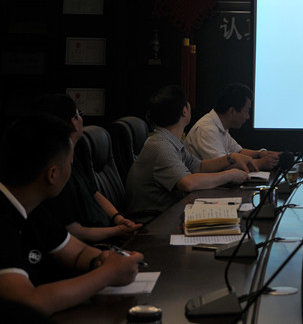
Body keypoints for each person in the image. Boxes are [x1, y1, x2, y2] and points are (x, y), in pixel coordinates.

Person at [0, 113, 142, 315]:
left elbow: (78, 252)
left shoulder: (33, 209)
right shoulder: (4, 218)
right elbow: (27, 303)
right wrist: (108, 273)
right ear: (52, 174)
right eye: (70, 162)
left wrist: (107, 258)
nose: (71, 169)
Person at [126, 85, 252, 213]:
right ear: (184, 111)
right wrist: (229, 175)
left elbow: (200, 167)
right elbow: (188, 183)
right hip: (154, 220)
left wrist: (230, 158)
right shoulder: (161, 146)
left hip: (168, 212)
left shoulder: (171, 141)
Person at [33, 94, 142, 242]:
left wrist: (117, 218)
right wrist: (117, 231)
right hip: (96, 243)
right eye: (79, 114)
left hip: (110, 231)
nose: (81, 118)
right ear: (74, 122)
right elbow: (73, 232)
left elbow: (93, 191)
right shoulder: (56, 172)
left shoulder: (73, 157)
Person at [185, 83, 279, 170]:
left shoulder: (220, 125)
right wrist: (260, 163)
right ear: (232, 111)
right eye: (246, 111)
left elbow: (238, 152)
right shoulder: (207, 130)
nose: (248, 117)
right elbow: (221, 167)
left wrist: (261, 153)